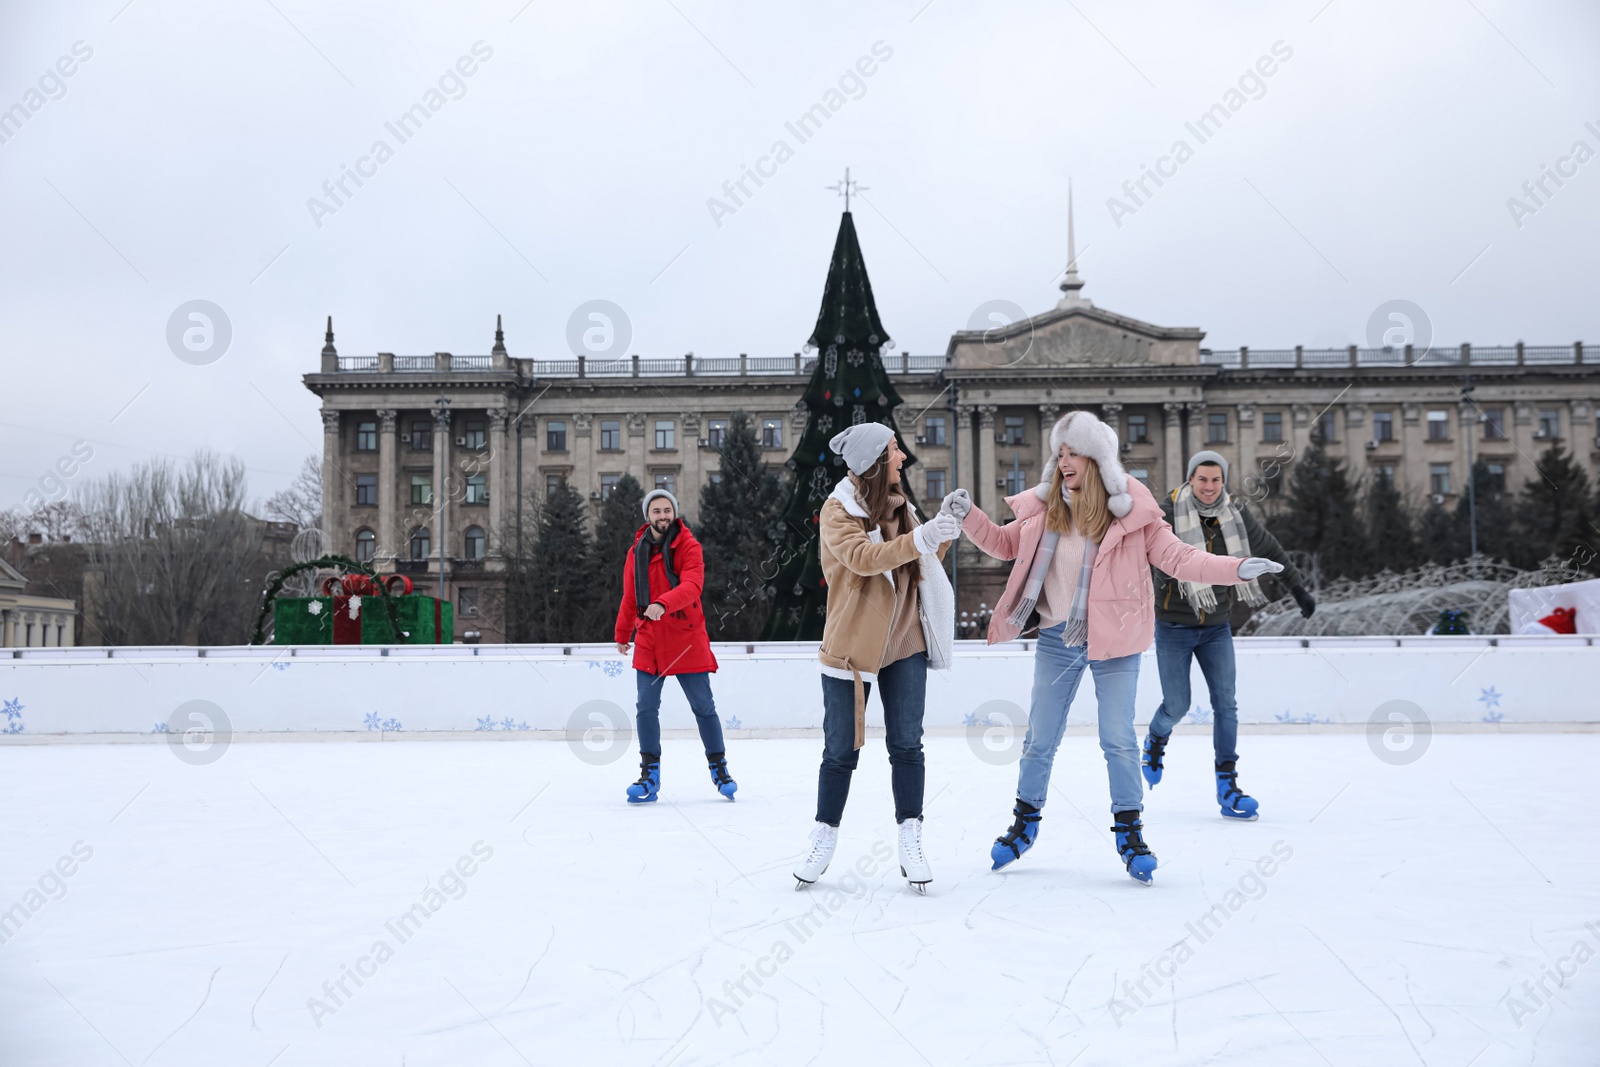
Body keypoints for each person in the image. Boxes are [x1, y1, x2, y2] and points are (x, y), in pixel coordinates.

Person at [954, 412, 1284, 885]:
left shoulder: (1133, 516)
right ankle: (1024, 824)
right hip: (1055, 639)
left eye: (1074, 453)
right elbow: (1004, 545)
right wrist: (969, 515)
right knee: (1039, 740)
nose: (1064, 461)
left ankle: (1130, 833)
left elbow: (1180, 557)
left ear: (1098, 459)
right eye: (1060, 453)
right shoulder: (1044, 508)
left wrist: (1238, 568)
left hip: (1115, 643)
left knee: (1118, 741)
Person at [792, 423, 960, 894]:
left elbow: (918, 560)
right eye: (893, 450)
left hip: (906, 641)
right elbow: (864, 559)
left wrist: (945, 527)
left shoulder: (899, 504)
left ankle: (911, 836)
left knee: (907, 744)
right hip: (852, 648)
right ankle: (824, 835)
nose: (902, 457)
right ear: (873, 461)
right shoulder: (836, 511)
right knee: (840, 751)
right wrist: (922, 538)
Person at [1141, 450, 1315, 820]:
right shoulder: (1166, 513)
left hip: (1217, 626)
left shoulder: (1235, 514)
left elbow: (1268, 548)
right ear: (1190, 479)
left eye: (1216, 480)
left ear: (1224, 482)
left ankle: (1228, 784)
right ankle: (1156, 738)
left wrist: (1297, 588)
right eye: (1202, 479)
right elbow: (1135, 555)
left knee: (1226, 704)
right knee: (1177, 706)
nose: (1209, 487)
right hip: (1173, 625)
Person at [613, 488, 737, 804]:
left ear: (674, 513)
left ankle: (719, 767)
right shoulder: (636, 552)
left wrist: (662, 604)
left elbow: (692, 586)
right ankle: (649, 775)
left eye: (667, 510)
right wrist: (622, 633)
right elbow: (630, 596)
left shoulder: (688, 546)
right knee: (645, 708)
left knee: (703, 707)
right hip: (650, 640)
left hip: (686, 638)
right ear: (648, 516)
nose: (663, 516)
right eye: (657, 511)